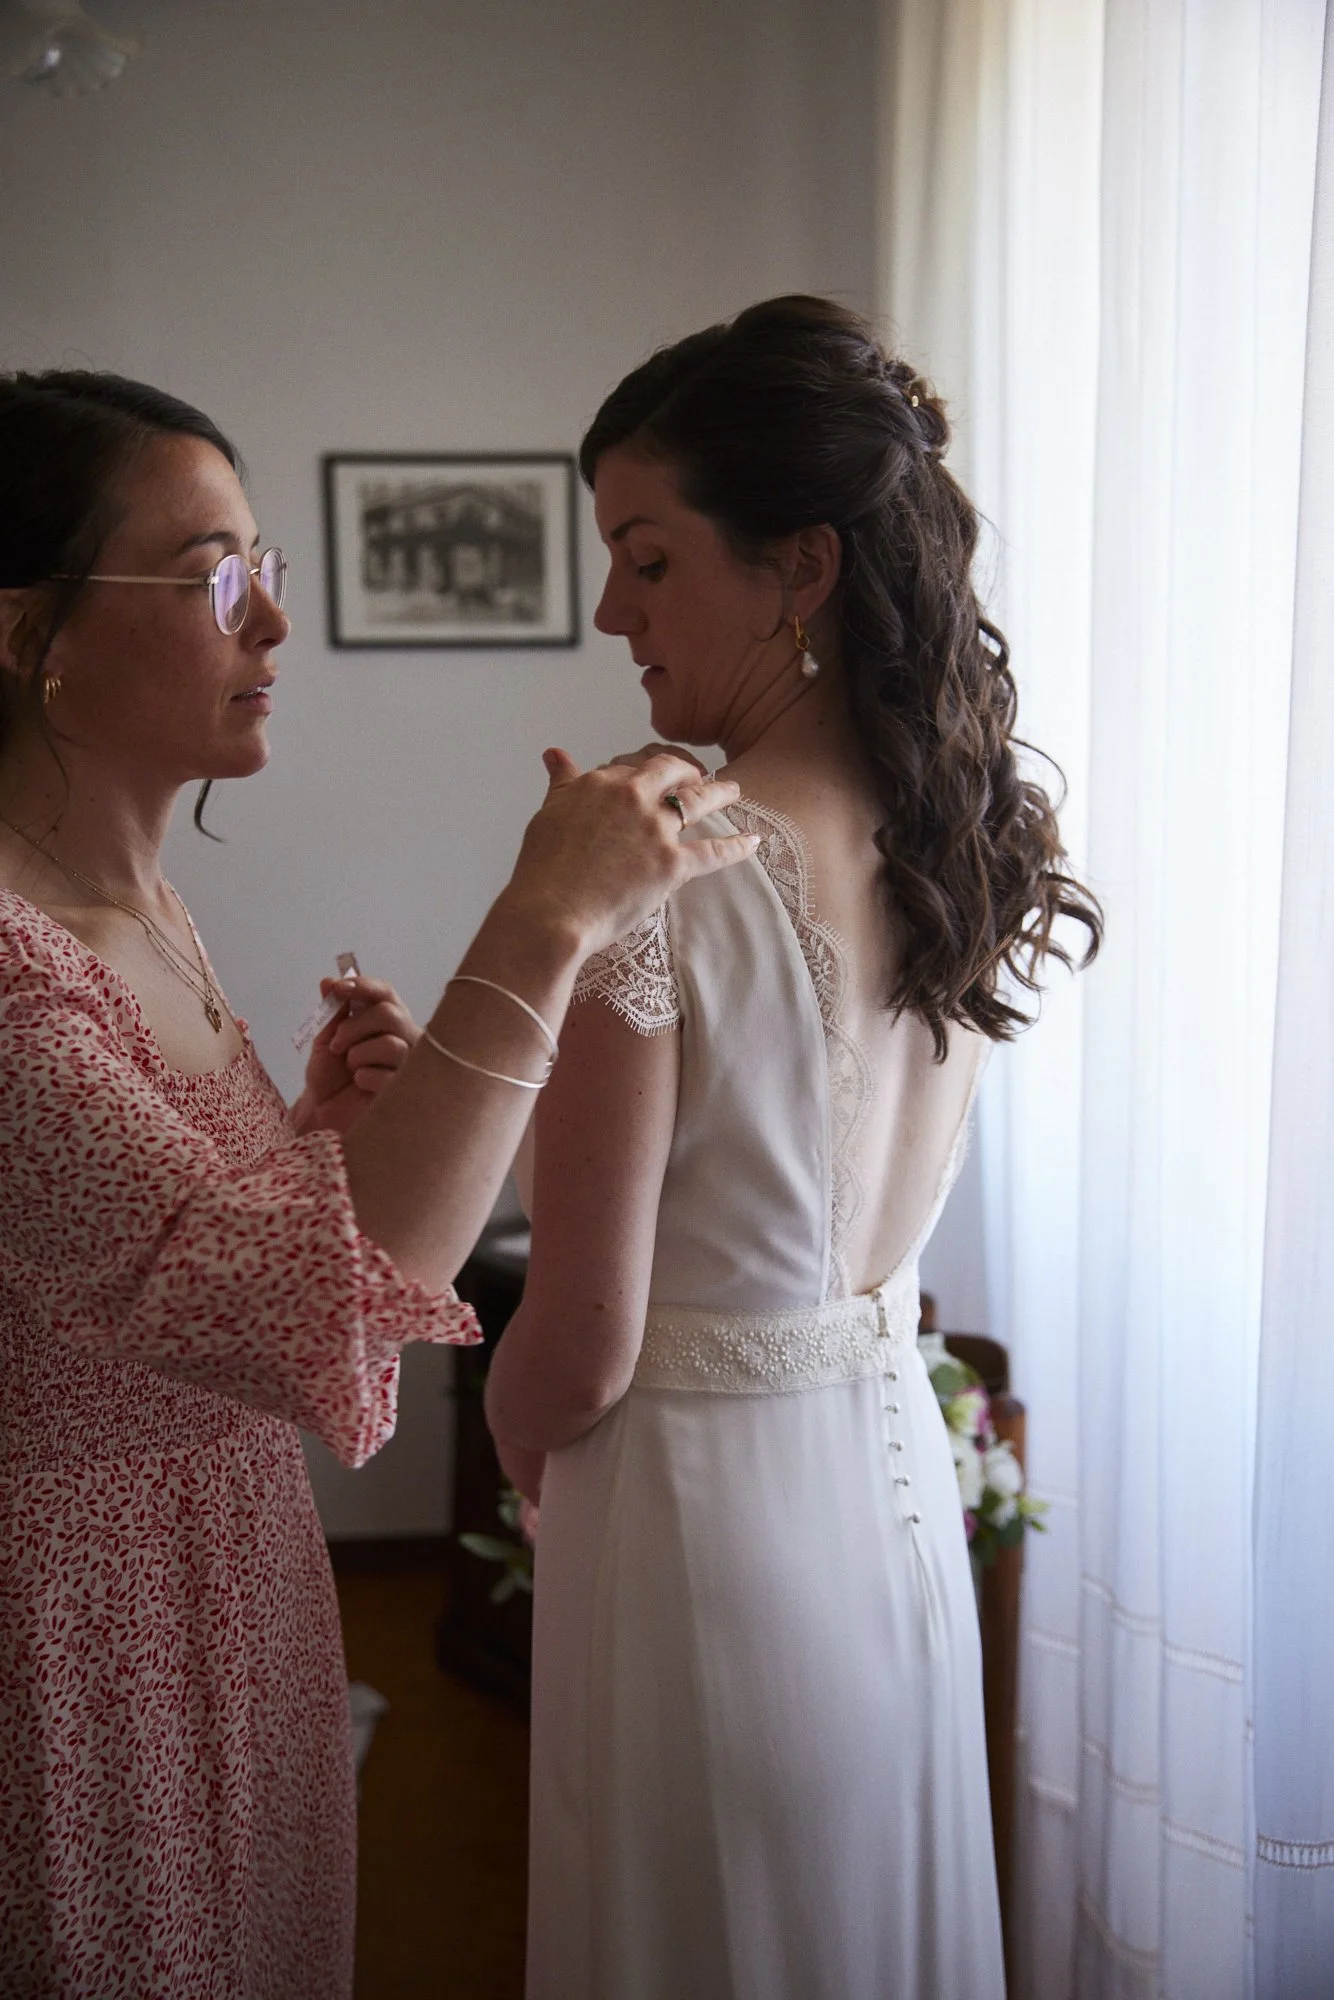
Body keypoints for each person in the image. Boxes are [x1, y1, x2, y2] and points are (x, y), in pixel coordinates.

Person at [0, 369, 754, 2000]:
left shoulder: (143, 911)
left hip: (238, 1584)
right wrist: (542, 921)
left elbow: (197, 1264)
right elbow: (301, 1312)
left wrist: (320, 1141)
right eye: (213, 575)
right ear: (25, 636)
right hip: (74, 1652)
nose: (272, 622)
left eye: (266, 563)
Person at [485, 295, 1103, 2000]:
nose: (610, 610)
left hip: (693, 1531)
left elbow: (581, 1341)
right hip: (885, 1503)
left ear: (801, 567)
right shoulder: (946, 834)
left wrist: (517, 1442)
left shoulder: (653, 870)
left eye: (648, 557)